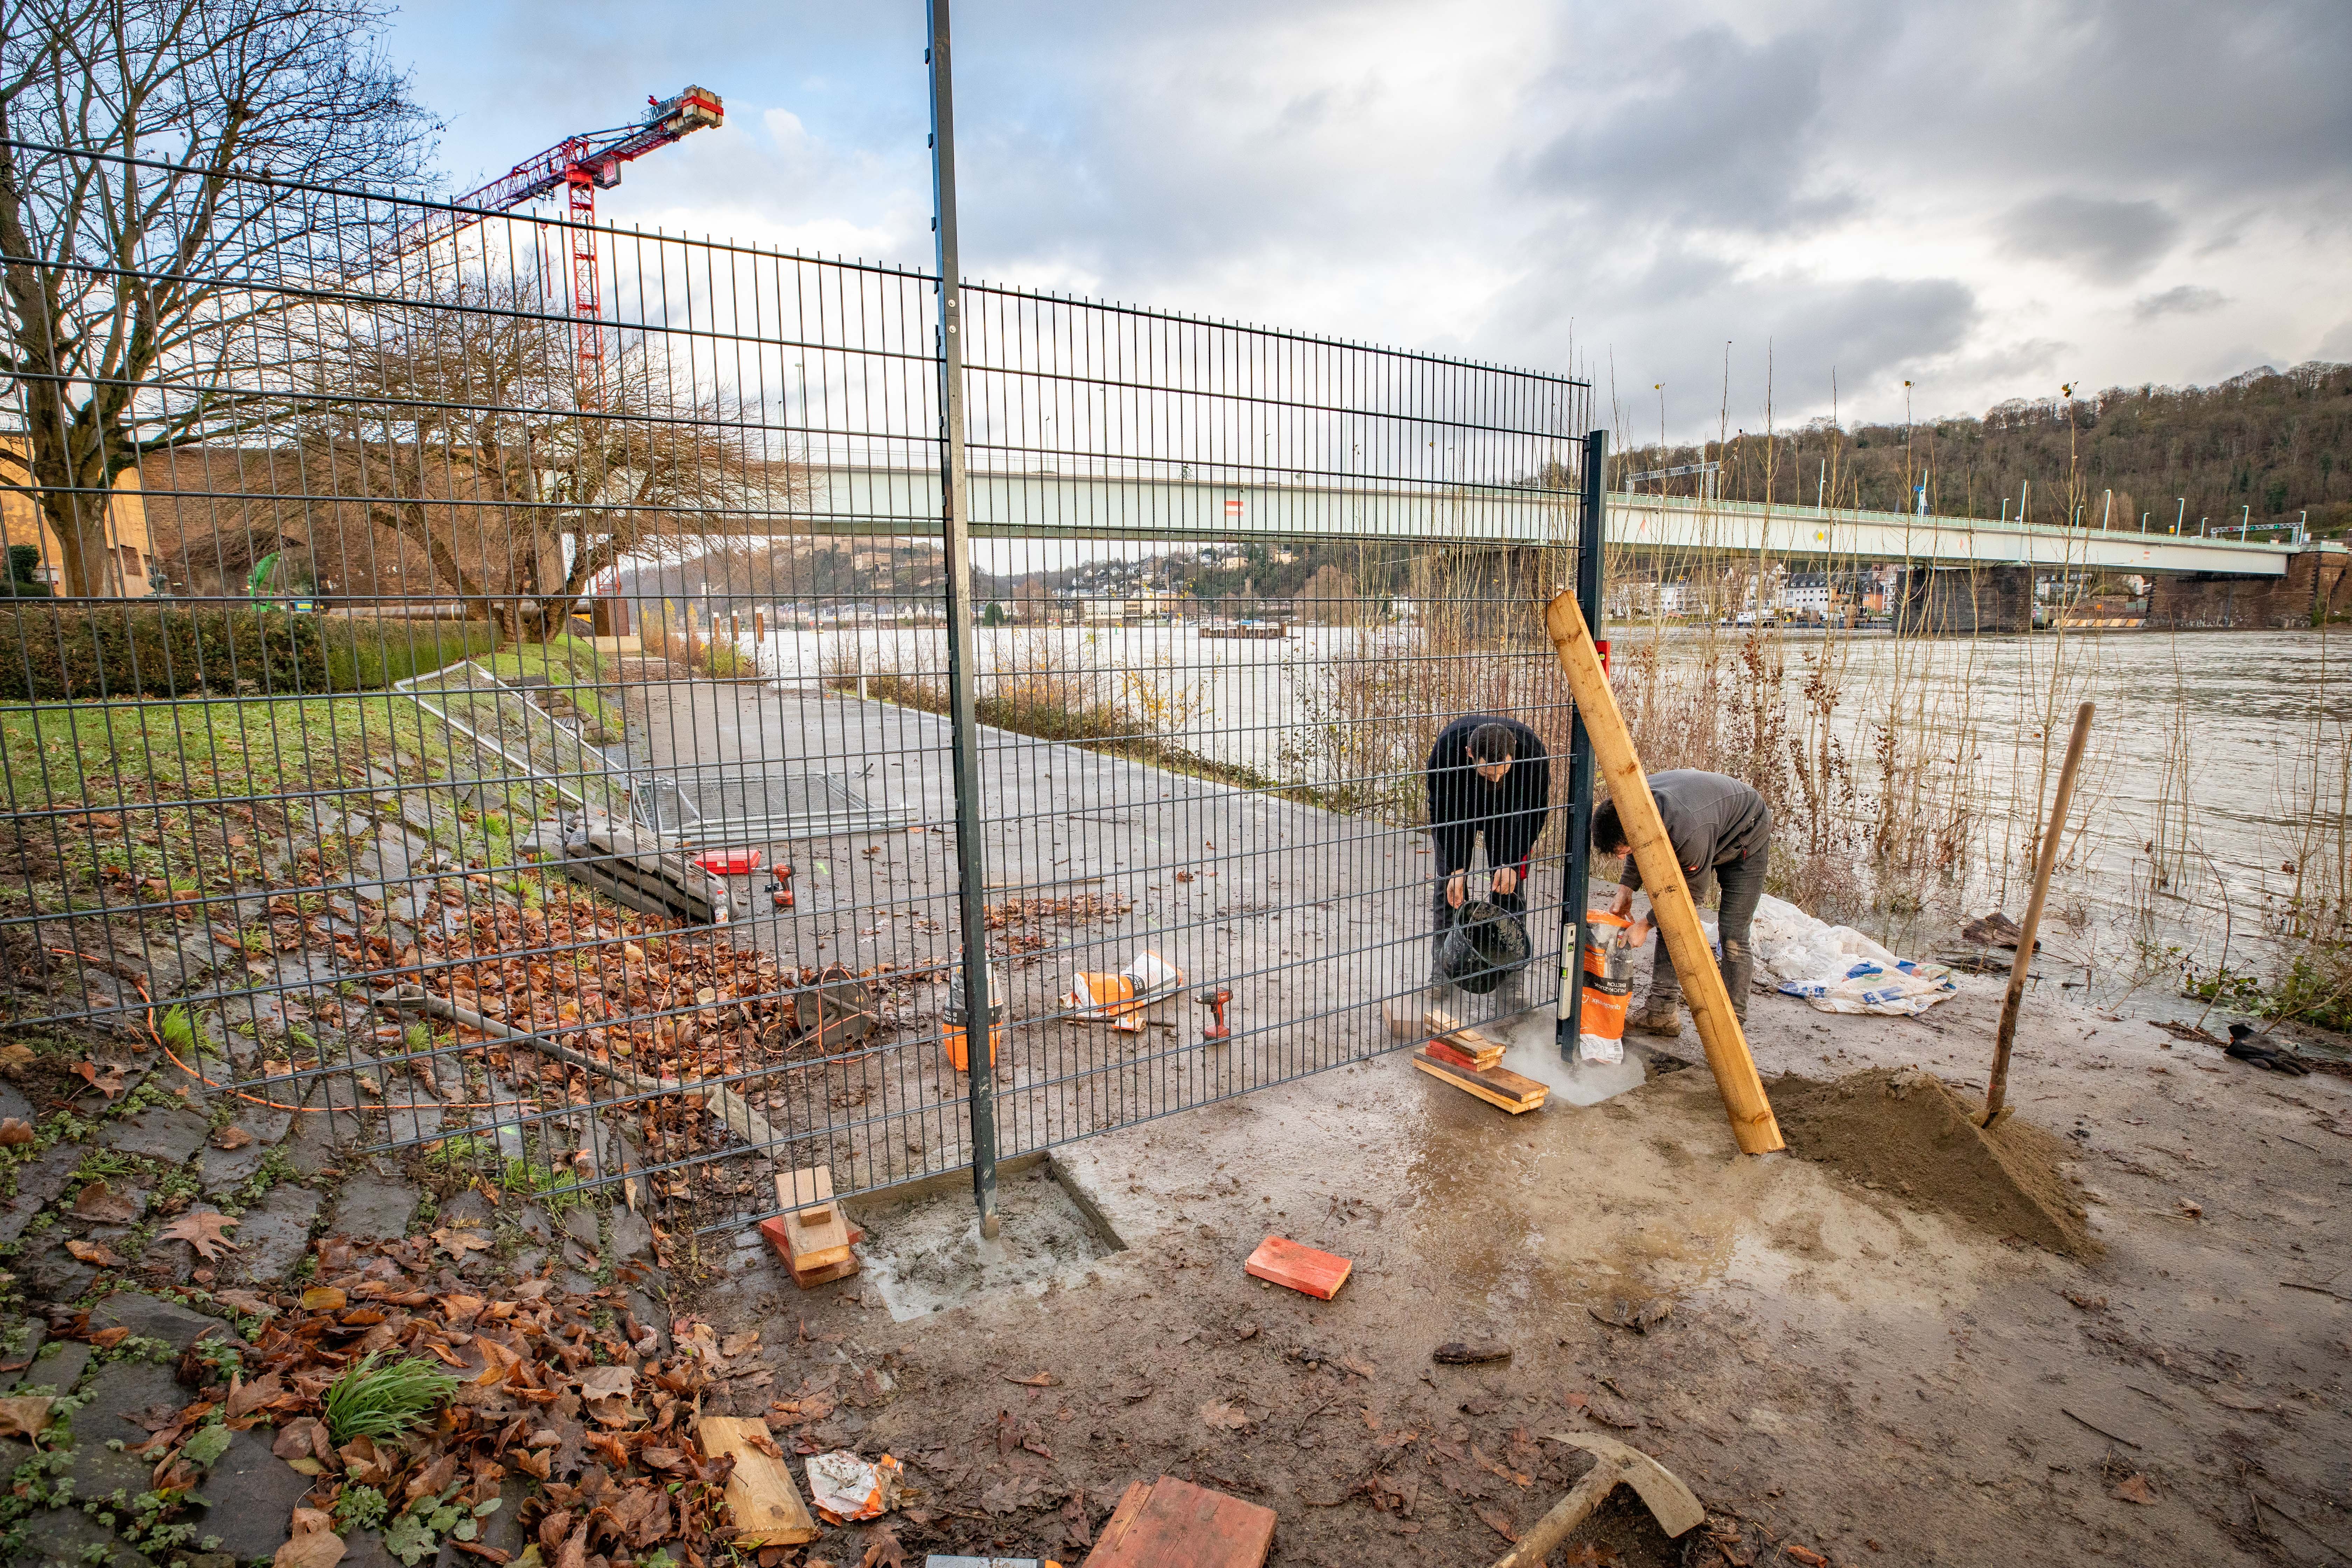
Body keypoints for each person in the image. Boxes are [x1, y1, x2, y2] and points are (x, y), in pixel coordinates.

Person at [1590, 769, 1770, 1033]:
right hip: (1706, 820)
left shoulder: (1686, 831)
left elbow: (1689, 897)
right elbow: (1638, 846)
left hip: (1745, 833)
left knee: (1733, 935)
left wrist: (1644, 925)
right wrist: (1625, 890)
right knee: (1668, 921)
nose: (1621, 858)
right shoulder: (1633, 807)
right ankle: (1660, 1013)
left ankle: (1732, 1027)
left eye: (1622, 851)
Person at [1423, 714, 1552, 978]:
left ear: (1514, 754)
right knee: (1449, 886)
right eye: (1487, 773)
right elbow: (1441, 812)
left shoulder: (1534, 754)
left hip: (1508, 816)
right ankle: (1445, 963)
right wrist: (1456, 868)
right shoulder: (1446, 750)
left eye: (1502, 772)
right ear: (1470, 754)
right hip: (1459, 811)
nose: (1495, 779)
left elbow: (1536, 812)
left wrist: (1512, 862)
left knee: (1508, 885)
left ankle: (1508, 962)